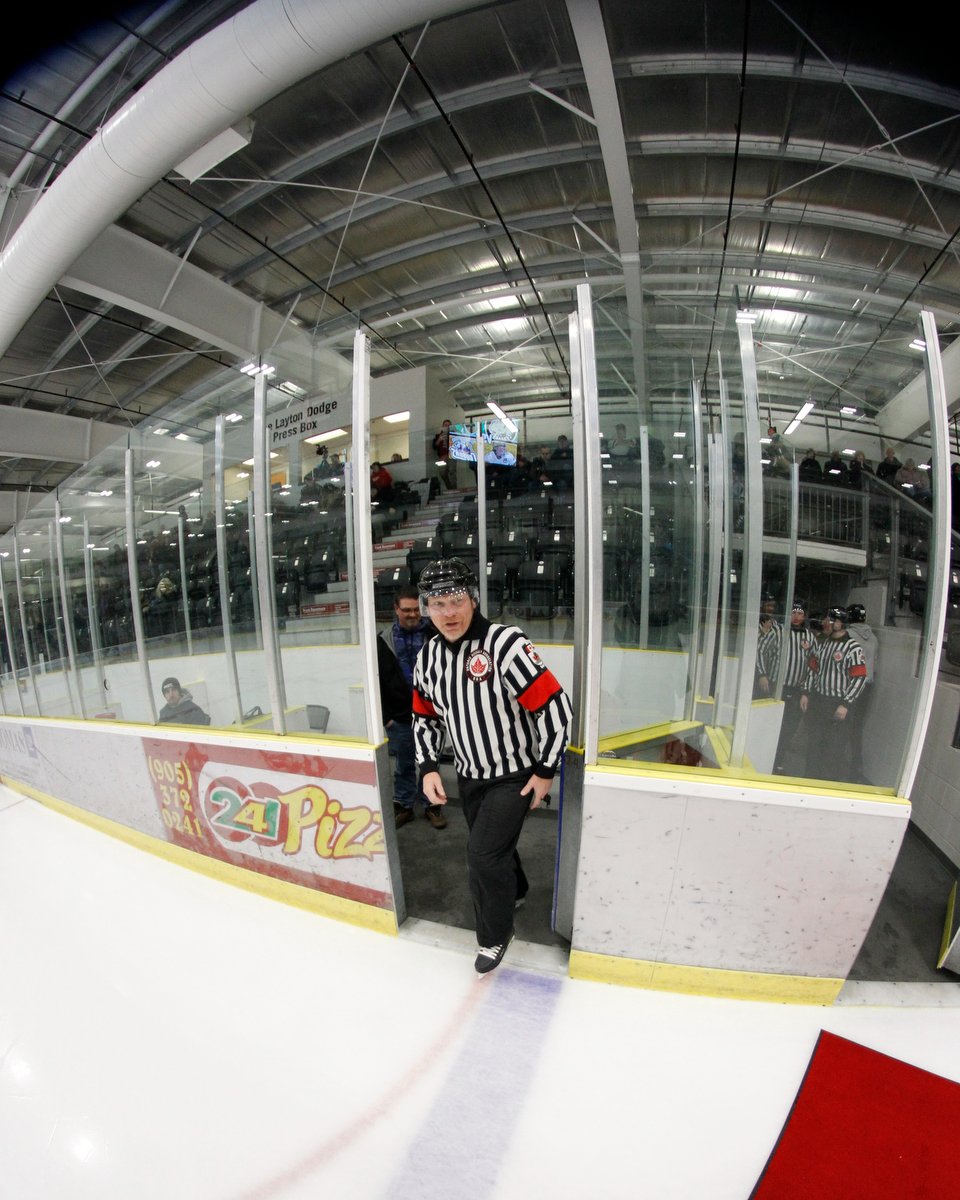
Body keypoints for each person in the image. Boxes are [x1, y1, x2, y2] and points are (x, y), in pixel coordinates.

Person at [412, 558, 572, 975]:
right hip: (468, 777)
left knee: (482, 855)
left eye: (456, 600)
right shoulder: (428, 656)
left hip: (514, 775)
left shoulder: (506, 644)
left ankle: (495, 935)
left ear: (473, 599)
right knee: (496, 848)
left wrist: (545, 769)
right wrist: (428, 765)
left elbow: (555, 707)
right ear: (425, 607)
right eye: (437, 603)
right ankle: (516, 888)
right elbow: (424, 716)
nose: (448, 612)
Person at [377, 587, 445, 830]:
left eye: (416, 609)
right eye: (406, 610)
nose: (412, 614)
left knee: (431, 762)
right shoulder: (382, 641)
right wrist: (386, 718)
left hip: (431, 714)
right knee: (404, 764)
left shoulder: (436, 635)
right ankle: (405, 805)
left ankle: (432, 805)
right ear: (396, 610)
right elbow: (376, 682)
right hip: (400, 719)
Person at [801, 606, 867, 784]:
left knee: (833, 749)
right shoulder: (824, 644)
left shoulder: (853, 647)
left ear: (840, 623)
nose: (826, 623)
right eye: (826, 619)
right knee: (814, 744)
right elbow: (813, 669)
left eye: (830, 620)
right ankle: (809, 783)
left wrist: (846, 704)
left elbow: (859, 678)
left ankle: (827, 786)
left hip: (837, 703)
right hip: (819, 700)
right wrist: (806, 692)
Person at [772, 602, 816, 774]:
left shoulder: (809, 637)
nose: (796, 617)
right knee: (773, 726)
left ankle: (779, 762)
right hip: (777, 687)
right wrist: (763, 676)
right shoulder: (779, 632)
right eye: (793, 613)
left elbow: (813, 666)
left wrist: (806, 691)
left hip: (796, 690)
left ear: (804, 617)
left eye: (800, 614)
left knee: (789, 728)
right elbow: (764, 652)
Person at [845, 603, 878, 784]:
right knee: (857, 727)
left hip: (850, 685)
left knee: (842, 724)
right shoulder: (873, 638)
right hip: (867, 687)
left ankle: (838, 762)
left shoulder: (848, 635)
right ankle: (855, 766)